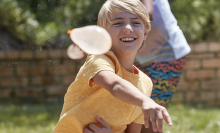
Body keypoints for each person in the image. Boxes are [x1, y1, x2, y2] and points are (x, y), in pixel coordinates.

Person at [53, 0, 172, 133]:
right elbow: (115, 85)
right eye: (118, 23)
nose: (127, 28)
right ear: (104, 34)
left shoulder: (145, 84)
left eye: (136, 23)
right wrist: (145, 101)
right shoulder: (98, 59)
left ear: (145, 33)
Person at [137, 0, 191, 133]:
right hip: (140, 56)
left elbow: (147, 14)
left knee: (147, 115)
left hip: (166, 55)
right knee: (134, 112)